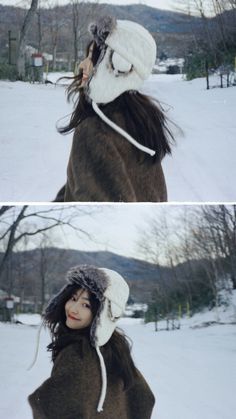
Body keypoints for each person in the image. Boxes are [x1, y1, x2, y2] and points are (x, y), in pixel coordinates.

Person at [54, 16, 174, 202]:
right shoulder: (141, 122)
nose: (83, 64)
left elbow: (96, 208)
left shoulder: (94, 131)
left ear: (118, 65)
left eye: (92, 56)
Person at [28, 264, 155, 419]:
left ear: (102, 314)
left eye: (86, 305)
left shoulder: (78, 352)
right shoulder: (115, 344)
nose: (73, 309)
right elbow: (144, 399)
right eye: (73, 298)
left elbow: (49, 407)